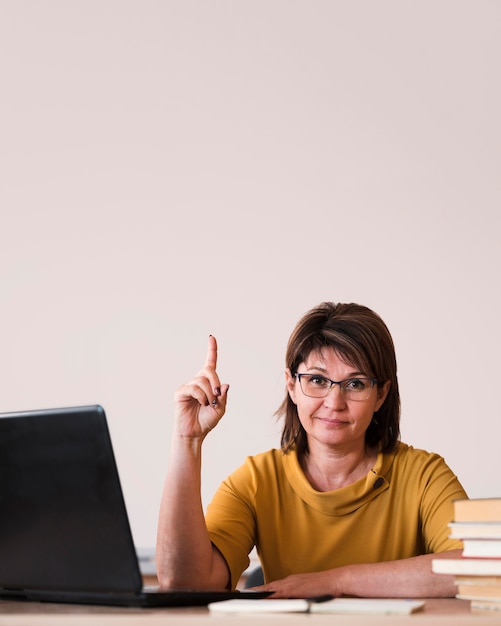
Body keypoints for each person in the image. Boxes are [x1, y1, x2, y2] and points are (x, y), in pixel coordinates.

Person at [156, 302, 467, 598]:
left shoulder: (424, 475)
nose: (334, 403)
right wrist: (187, 439)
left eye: (356, 384)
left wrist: (335, 581)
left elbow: (480, 567)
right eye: (317, 380)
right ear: (291, 385)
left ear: (381, 394)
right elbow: (183, 583)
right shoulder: (257, 480)